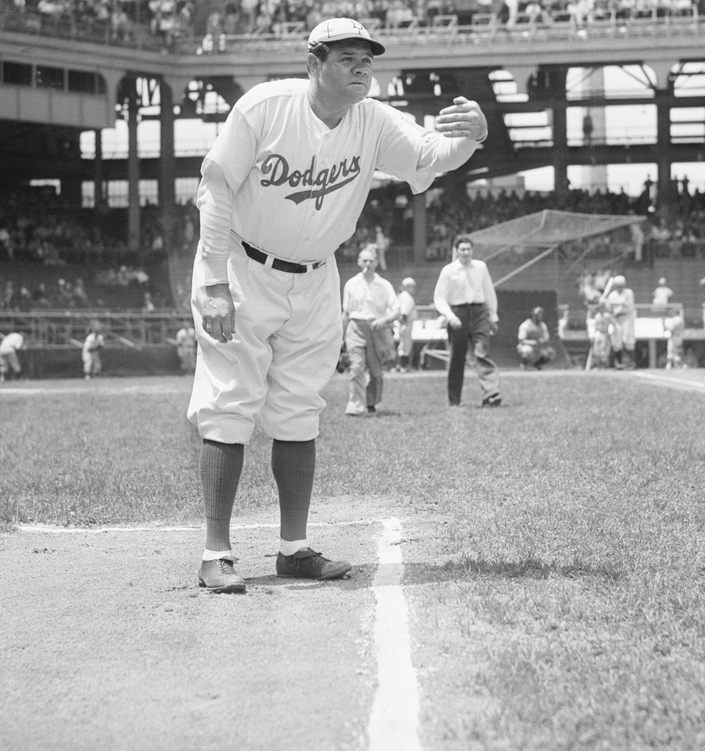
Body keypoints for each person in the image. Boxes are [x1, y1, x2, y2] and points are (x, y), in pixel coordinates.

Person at [186, 17, 488, 594]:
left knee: (300, 407)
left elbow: (428, 154)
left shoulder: (372, 118)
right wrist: (212, 280)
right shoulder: (264, 108)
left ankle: (293, 549)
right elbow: (216, 184)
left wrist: (473, 136)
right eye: (347, 58)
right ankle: (216, 552)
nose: (362, 69)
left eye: (367, 59)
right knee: (228, 403)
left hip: (319, 276)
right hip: (245, 269)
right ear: (314, 63)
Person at [433, 235, 501, 407]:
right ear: (456, 251)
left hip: (479, 313)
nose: (465, 252)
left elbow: (489, 291)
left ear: (472, 250)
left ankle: (491, 393)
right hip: (458, 314)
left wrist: (493, 316)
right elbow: (439, 298)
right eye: (462, 249)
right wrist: (450, 316)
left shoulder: (481, 267)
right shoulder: (448, 271)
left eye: (468, 249)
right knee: (457, 358)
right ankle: (454, 400)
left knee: (482, 351)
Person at [341, 246, 398, 415]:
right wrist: (341, 336)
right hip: (355, 327)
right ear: (359, 262)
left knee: (376, 372)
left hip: (376, 328)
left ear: (376, 263)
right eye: (364, 260)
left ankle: (371, 402)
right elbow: (346, 312)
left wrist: (384, 320)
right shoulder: (351, 284)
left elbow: (396, 310)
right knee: (357, 367)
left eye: (371, 261)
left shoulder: (384, 285)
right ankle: (355, 406)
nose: (367, 264)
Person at [602, 274, 636, 369]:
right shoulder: (612, 294)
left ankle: (631, 363)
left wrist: (608, 301)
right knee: (616, 342)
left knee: (627, 340)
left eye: (621, 286)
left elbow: (625, 303)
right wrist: (603, 302)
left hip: (627, 318)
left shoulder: (629, 293)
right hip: (616, 319)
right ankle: (619, 363)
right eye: (618, 286)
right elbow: (609, 308)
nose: (619, 288)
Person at [394, 276, 417, 372]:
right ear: (407, 286)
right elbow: (404, 312)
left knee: (403, 345)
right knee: (406, 345)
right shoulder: (406, 297)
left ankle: (400, 365)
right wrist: (404, 324)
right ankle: (403, 366)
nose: (414, 289)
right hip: (406, 322)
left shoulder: (402, 295)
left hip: (403, 323)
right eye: (412, 286)